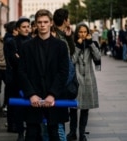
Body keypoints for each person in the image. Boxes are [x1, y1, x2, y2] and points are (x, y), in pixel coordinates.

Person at [18, 9, 69, 141]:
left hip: (53, 97)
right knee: (31, 134)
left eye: (45, 22)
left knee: (54, 133)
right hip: (34, 97)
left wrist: (52, 94)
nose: (42, 25)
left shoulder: (61, 46)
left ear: (51, 23)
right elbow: (21, 72)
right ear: (35, 24)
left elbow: (63, 72)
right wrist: (31, 94)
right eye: (39, 22)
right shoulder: (26, 46)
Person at [67, 23, 100, 141]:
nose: (83, 34)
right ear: (77, 33)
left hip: (88, 80)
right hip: (76, 80)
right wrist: (78, 47)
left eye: (85, 32)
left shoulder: (92, 44)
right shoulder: (73, 45)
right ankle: (72, 132)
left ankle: (82, 134)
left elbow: (97, 57)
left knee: (85, 109)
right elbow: (72, 60)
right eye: (80, 32)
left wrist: (91, 44)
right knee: (73, 109)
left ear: (88, 33)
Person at [4, 18, 31, 141]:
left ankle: (30, 132)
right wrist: (22, 60)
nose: (27, 29)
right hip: (15, 80)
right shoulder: (12, 42)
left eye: (28, 26)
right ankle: (20, 133)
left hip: (30, 80)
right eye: (24, 27)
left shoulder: (32, 41)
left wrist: (21, 58)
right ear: (18, 29)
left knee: (29, 107)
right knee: (18, 108)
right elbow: (13, 61)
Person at [53, 8, 75, 141]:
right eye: (69, 18)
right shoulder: (56, 35)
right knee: (57, 121)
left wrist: (69, 37)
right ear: (65, 20)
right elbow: (68, 61)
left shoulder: (62, 35)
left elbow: (71, 52)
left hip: (60, 83)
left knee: (58, 120)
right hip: (59, 84)